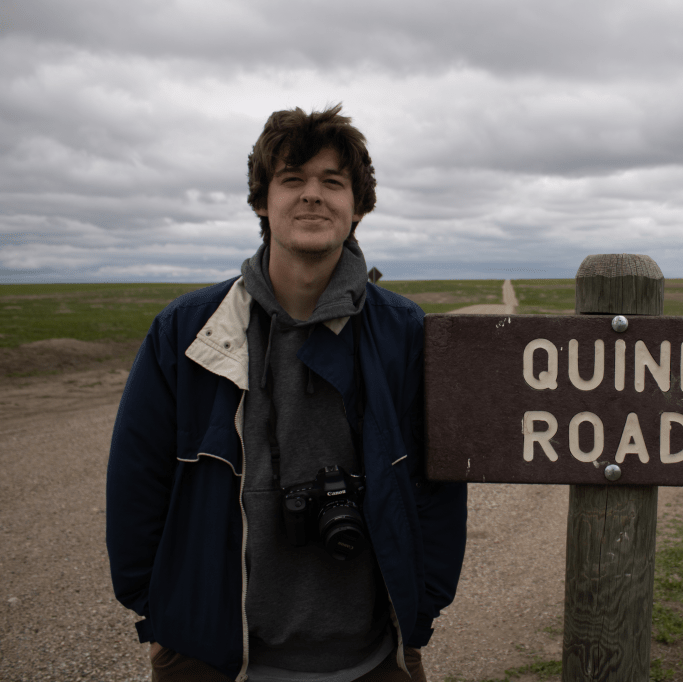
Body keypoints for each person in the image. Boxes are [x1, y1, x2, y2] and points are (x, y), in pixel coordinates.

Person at [106, 104, 467, 682]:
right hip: (213, 661)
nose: (312, 196)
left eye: (332, 182)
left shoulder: (405, 333)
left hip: (375, 659)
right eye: (292, 180)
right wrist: (165, 619)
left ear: (359, 206)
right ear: (261, 201)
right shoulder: (186, 331)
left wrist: (420, 611)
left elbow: (439, 487)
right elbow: (137, 486)